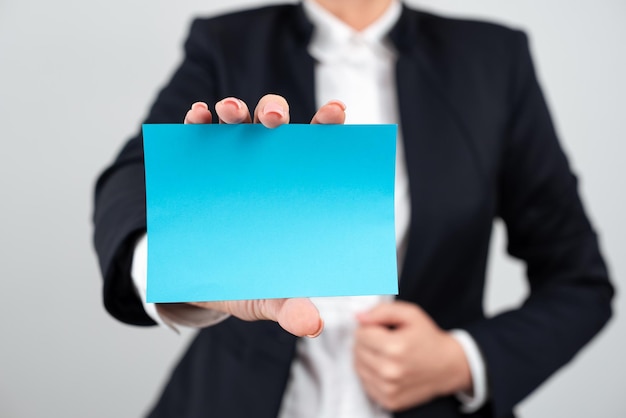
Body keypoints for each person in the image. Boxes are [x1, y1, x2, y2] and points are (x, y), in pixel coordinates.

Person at [92, 0, 614, 417]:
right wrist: (190, 267)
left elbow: (579, 279)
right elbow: (129, 183)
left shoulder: (493, 59)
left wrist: (463, 360)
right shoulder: (227, 44)